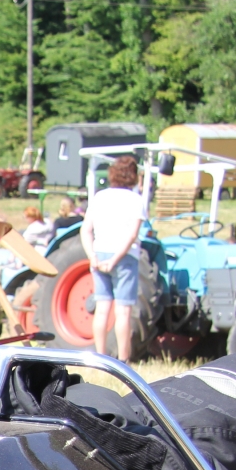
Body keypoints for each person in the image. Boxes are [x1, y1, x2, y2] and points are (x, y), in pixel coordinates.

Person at [79, 154, 146, 361]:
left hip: (99, 254)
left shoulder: (100, 197)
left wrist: (93, 257)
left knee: (102, 309)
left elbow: (86, 230)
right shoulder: (136, 200)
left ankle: (101, 357)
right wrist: (116, 259)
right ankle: (123, 360)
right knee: (123, 312)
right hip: (124, 257)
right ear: (133, 176)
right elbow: (132, 235)